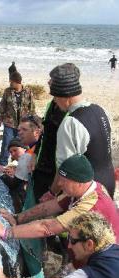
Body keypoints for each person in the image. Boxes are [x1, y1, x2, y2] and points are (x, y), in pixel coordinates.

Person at [0, 154, 119, 245]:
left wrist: (6, 232)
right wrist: (17, 218)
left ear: (79, 183)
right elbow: (49, 207)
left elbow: (47, 227)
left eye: (64, 181)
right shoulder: (85, 189)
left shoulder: (90, 205)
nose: (59, 184)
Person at [44, 63, 115, 199]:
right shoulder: (101, 110)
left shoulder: (70, 123)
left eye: (55, 96)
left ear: (64, 95)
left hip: (88, 189)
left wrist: (52, 193)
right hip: (108, 181)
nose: (55, 101)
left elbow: (64, 169)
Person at [0, 71, 35, 168]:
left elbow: (32, 108)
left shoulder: (28, 92)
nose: (10, 83)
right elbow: (2, 105)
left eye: (12, 82)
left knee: (22, 145)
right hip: (9, 123)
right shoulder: (8, 91)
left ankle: (21, 164)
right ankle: (2, 164)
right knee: (6, 143)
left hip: (23, 124)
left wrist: (32, 121)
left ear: (17, 82)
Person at [32, 99, 66, 202]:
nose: (49, 82)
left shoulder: (69, 111)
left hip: (55, 171)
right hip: (42, 166)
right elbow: (44, 133)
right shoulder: (51, 104)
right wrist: (35, 154)